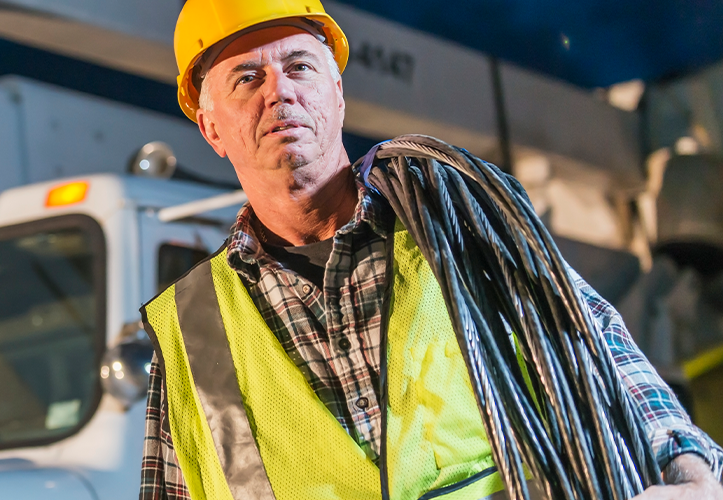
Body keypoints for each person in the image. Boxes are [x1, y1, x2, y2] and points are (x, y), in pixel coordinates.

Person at [138, 1, 723, 499]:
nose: (281, 91)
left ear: (337, 93)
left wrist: (691, 477)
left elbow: (596, 350)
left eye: (300, 66)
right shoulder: (191, 335)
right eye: (247, 78)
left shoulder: (457, 224)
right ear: (210, 127)